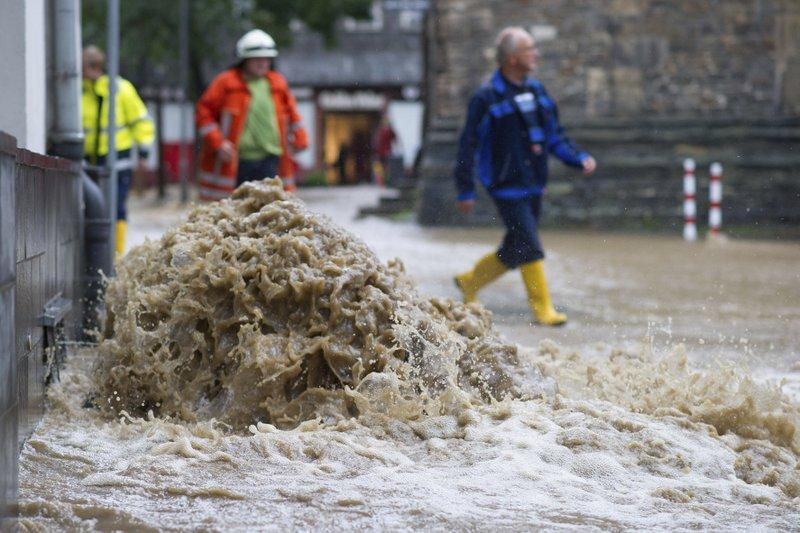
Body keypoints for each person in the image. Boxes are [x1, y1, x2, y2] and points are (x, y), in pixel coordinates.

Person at [453, 27, 597, 326]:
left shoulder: (537, 91)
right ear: (512, 57)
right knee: (530, 244)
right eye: (531, 49)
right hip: (505, 186)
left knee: (517, 246)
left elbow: (553, 135)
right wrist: (465, 189)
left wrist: (577, 158)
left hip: (534, 183)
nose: (537, 54)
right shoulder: (486, 97)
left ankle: (469, 282)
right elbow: (467, 144)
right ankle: (543, 308)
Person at [196, 29, 308, 201]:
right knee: (238, 208)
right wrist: (218, 143)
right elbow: (203, 113)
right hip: (238, 161)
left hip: (271, 159)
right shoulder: (226, 82)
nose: (262, 63)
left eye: (266, 58)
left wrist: (301, 139)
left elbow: (293, 114)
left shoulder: (277, 83)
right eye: (257, 58)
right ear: (244, 60)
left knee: (271, 210)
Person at [82, 45, 155, 256]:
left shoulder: (121, 89)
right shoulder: (77, 91)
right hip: (87, 162)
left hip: (117, 161)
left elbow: (141, 122)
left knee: (116, 208)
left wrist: (143, 153)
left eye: (92, 65)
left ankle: (115, 256)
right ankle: (96, 255)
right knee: (92, 211)